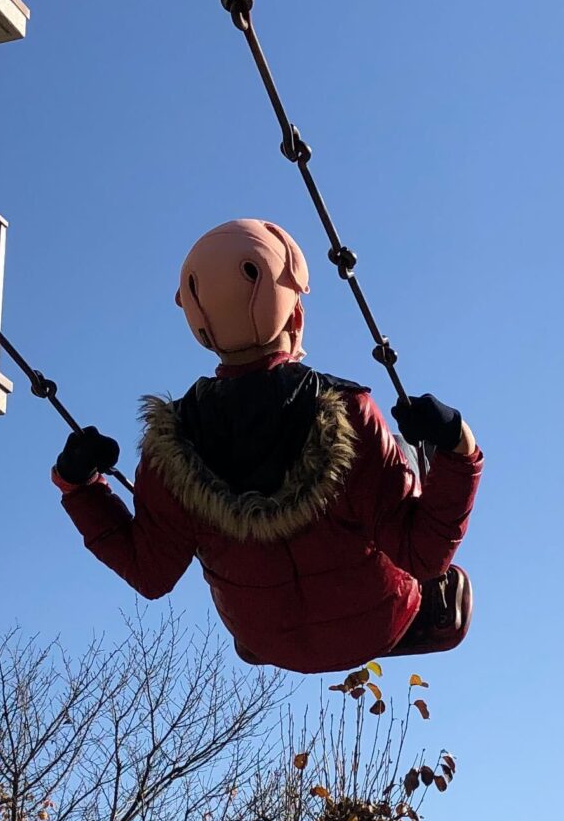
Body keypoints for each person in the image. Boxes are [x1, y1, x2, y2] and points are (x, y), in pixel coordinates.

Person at [50, 218, 479, 675]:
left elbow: (150, 572)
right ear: (295, 315)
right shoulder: (347, 414)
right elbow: (424, 553)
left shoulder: (169, 448)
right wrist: (458, 444)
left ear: (200, 328)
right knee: (411, 451)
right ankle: (430, 476)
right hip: (380, 619)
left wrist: (82, 488)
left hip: (267, 638)